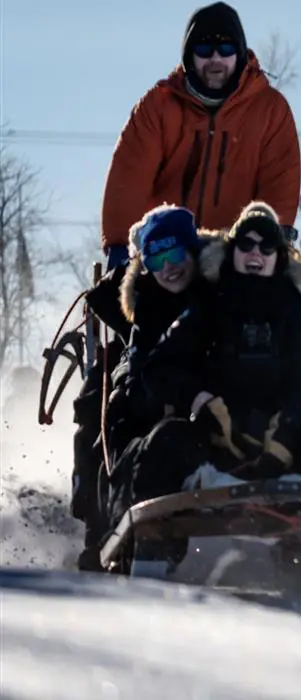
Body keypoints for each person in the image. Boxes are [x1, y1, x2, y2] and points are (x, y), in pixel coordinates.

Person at [110, 202, 301, 573]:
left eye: (266, 247)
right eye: (246, 246)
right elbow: (160, 366)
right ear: (232, 252)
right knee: (163, 443)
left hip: (283, 442)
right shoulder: (207, 304)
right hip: (213, 439)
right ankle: (150, 561)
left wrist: (289, 426)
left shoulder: (295, 311)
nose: (256, 254)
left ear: (278, 257)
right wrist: (199, 402)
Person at [98, 1, 300, 273]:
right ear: (189, 56)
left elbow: (280, 184)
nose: (215, 59)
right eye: (204, 50)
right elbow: (129, 176)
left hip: (235, 258)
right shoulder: (158, 106)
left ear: (238, 54)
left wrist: (273, 240)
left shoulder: (269, 110)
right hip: (167, 255)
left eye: (226, 49)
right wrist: (120, 244)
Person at [70, 204, 211, 572]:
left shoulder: (217, 295)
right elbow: (142, 368)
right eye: (156, 255)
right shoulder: (144, 303)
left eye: (175, 251)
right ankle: (107, 531)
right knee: (108, 422)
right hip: (153, 406)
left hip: (208, 408)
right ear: (144, 263)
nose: (169, 264)